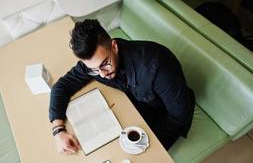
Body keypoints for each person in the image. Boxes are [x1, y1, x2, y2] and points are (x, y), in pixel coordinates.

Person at [49, 19, 195, 155]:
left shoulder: (158, 67)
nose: (102, 74)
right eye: (93, 69)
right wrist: (59, 131)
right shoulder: (95, 64)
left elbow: (180, 117)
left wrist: (138, 134)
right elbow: (62, 87)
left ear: (114, 46)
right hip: (135, 108)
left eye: (105, 64)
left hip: (166, 116)